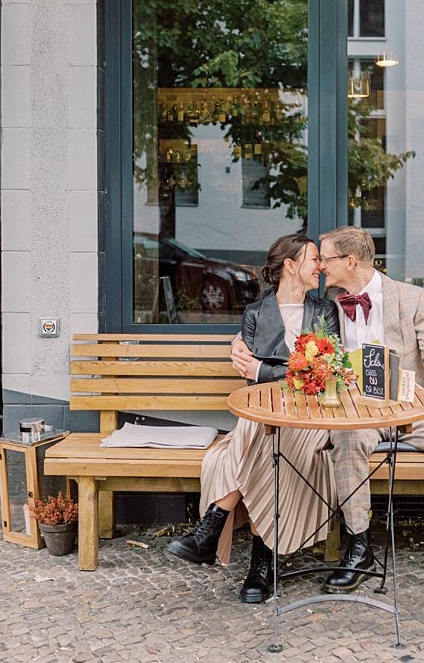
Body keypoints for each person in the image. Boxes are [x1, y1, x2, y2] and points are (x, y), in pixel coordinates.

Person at [232, 225, 424, 596]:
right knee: (347, 436)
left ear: (350, 260)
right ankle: (359, 549)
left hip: (410, 411)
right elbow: (284, 325)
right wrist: (240, 343)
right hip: (355, 413)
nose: (321, 266)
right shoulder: (329, 305)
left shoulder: (412, 299)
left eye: (325, 258)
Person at [167, 234, 341, 604]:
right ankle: (263, 563)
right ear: (291, 265)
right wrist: (275, 371)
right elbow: (252, 376)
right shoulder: (255, 314)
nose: (321, 267)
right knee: (262, 433)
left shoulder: (325, 311)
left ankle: (212, 526)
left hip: (310, 418)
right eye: (314, 259)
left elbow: (323, 373)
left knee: (256, 435)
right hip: (266, 413)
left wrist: (266, 369)